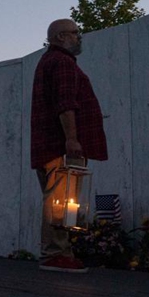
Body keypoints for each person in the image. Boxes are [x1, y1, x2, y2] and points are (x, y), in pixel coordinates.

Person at [31, 19, 108, 273]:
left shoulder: (49, 62)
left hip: (51, 146)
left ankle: (60, 252)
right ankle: (55, 254)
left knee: (59, 198)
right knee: (59, 199)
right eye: (75, 33)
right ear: (62, 37)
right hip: (60, 147)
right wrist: (72, 139)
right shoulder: (62, 63)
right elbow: (66, 104)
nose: (79, 37)